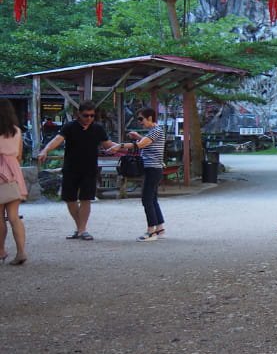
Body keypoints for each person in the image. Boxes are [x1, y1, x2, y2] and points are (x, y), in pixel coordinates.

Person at [37, 99, 121, 240]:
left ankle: (82, 229)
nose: (89, 118)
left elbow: (107, 144)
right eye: (86, 115)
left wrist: (122, 146)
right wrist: (45, 150)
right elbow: (57, 140)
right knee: (70, 199)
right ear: (78, 114)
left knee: (86, 199)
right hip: (71, 168)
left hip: (89, 168)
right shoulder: (69, 127)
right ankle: (80, 228)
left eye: (92, 116)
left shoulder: (98, 128)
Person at [116, 107, 166, 241]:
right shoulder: (154, 131)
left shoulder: (156, 131)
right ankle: (159, 227)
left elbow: (141, 145)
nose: (140, 122)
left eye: (141, 119)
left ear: (150, 118)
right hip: (153, 168)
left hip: (153, 168)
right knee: (152, 198)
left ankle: (151, 231)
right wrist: (138, 137)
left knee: (146, 199)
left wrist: (120, 146)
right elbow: (146, 142)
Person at [0, 98, 29, 265]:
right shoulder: (17, 131)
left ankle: (1, 250)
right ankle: (21, 251)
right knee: (14, 216)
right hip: (14, 172)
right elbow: (18, 155)